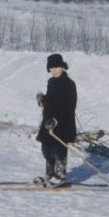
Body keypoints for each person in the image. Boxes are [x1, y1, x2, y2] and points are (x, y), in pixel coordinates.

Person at [35, 53, 77, 186]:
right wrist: (43, 99)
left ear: (62, 67)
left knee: (57, 150)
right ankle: (50, 173)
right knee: (46, 149)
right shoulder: (51, 82)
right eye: (51, 68)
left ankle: (59, 175)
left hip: (63, 123)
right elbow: (51, 100)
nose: (54, 70)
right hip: (48, 122)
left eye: (57, 67)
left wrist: (56, 120)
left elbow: (70, 105)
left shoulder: (69, 84)